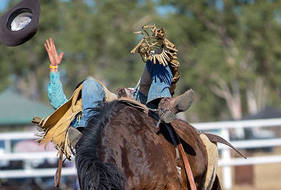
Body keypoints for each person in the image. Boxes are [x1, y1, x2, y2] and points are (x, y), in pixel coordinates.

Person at [43, 25, 195, 147]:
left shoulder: (103, 95)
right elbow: (57, 101)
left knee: (156, 55)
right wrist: (54, 68)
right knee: (89, 84)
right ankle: (88, 130)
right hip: (105, 115)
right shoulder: (77, 112)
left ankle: (164, 104)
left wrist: (54, 67)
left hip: (134, 100)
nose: (86, 96)